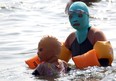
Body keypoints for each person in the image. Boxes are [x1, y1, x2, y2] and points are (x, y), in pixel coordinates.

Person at [64, 2, 109, 66]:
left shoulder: (96, 35)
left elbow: (105, 65)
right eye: (71, 17)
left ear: (88, 16)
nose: (75, 20)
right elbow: (58, 63)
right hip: (78, 73)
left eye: (80, 15)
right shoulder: (70, 38)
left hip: (95, 73)